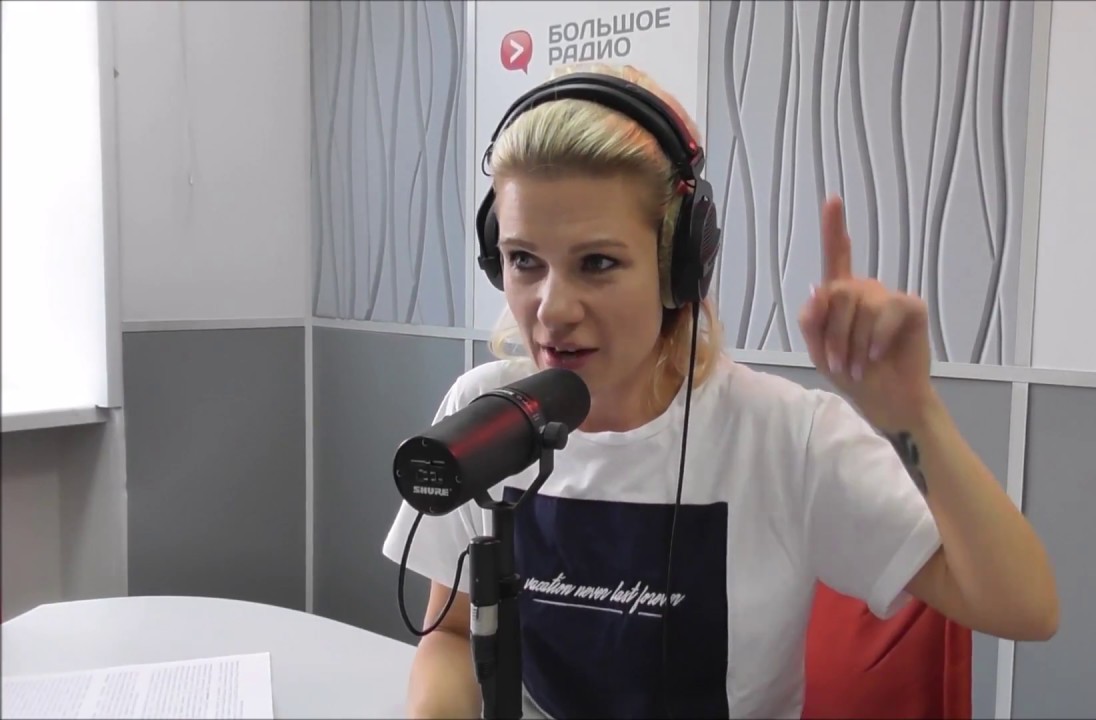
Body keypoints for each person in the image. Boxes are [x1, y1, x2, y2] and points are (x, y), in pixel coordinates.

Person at [382, 62, 1058, 720]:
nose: (552, 309)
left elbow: (1025, 608)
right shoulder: (487, 414)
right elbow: (454, 631)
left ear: (679, 266)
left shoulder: (787, 437)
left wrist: (916, 416)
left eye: (598, 262)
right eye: (524, 260)